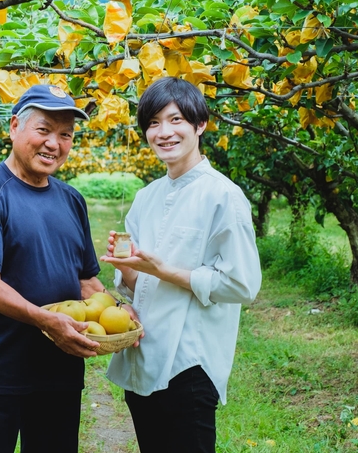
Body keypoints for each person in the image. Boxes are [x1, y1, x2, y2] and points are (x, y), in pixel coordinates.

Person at [102, 77, 262, 453]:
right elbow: (135, 283)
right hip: (143, 355)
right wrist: (126, 268)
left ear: (199, 124)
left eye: (175, 120)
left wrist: (164, 271)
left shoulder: (223, 196)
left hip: (191, 363)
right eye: (153, 123)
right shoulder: (146, 197)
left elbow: (242, 285)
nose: (164, 132)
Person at [0, 84, 110, 453]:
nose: (54, 143)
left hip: (60, 372)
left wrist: (119, 312)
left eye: (65, 134)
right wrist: (45, 320)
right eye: (43, 130)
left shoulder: (72, 200)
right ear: (14, 127)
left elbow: (86, 280)